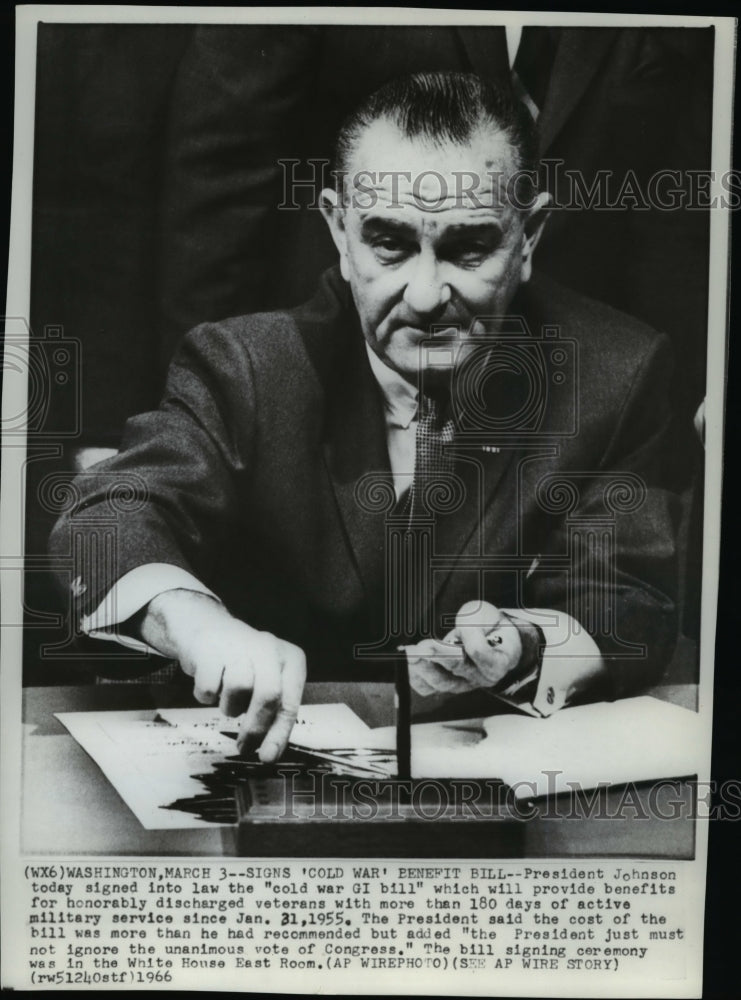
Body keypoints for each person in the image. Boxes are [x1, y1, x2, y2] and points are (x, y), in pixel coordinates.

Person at [49, 72, 681, 764]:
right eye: (388, 243)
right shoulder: (246, 366)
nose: (425, 293)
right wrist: (197, 625)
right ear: (338, 231)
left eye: (468, 248)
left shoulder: (617, 371)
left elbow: (626, 599)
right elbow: (106, 517)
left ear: (527, 237)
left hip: (486, 792)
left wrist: (524, 646)